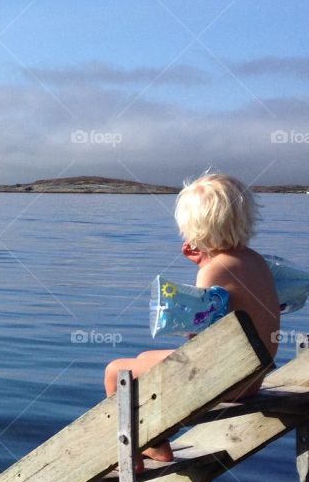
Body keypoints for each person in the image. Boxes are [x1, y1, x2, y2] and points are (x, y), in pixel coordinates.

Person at [104, 172, 280, 464]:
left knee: (115, 370)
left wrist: (203, 270)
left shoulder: (214, 271)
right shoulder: (256, 260)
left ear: (195, 228)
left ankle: (141, 449)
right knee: (145, 357)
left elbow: (198, 339)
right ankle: (152, 439)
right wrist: (205, 258)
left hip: (221, 382)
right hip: (252, 379)